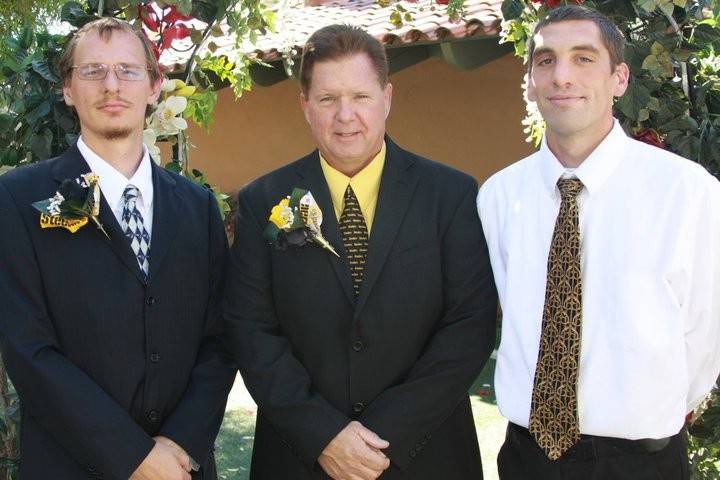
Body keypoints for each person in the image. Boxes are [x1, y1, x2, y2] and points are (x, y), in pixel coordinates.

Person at [223, 24, 497, 480]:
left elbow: (469, 324)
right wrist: (324, 436)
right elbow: (251, 329)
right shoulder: (262, 201)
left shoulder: (450, 195)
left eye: (361, 97)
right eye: (328, 99)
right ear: (305, 106)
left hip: (425, 454)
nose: (345, 115)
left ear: (386, 98)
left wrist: (384, 434)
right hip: (302, 457)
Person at [477, 5, 720, 479]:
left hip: (640, 463)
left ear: (620, 79)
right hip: (528, 459)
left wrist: (648, 410)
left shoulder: (689, 193)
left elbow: (706, 335)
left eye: (584, 58)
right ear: (530, 82)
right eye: (545, 61)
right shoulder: (499, 196)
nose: (561, 76)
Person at [0, 17, 235, 480]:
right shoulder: (18, 200)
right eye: (92, 72)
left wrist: (179, 446)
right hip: (69, 466)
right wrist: (133, 457)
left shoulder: (198, 207)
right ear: (67, 89)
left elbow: (222, 340)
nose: (112, 86)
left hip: (180, 468)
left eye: (128, 70)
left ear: (154, 87)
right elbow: (27, 349)